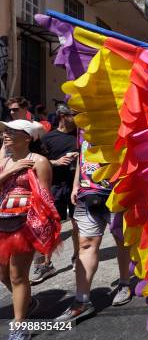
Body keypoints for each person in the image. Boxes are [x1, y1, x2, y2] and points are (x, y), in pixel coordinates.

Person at [55, 131, 132, 323]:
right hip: (87, 193)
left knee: (122, 241)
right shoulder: (83, 124)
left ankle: (124, 283)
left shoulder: (117, 114)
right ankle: (82, 300)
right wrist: (75, 186)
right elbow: (83, 155)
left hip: (116, 193)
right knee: (86, 244)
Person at [0, 120, 60, 340]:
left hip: (24, 225)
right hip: (1, 223)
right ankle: (28, 302)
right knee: (3, 275)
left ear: (27, 137)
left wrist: (44, 228)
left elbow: (45, 198)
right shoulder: (5, 159)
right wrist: (12, 170)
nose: (6, 134)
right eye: (6, 131)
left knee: (17, 276)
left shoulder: (39, 161)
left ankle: (20, 326)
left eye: (12, 131)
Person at [32, 104, 79, 284]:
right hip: (55, 186)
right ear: (62, 116)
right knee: (49, 226)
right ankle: (45, 264)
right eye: (73, 114)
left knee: (77, 224)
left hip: (75, 186)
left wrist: (79, 157)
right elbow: (37, 162)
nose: (76, 118)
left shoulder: (80, 136)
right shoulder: (49, 138)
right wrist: (56, 162)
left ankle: (77, 257)